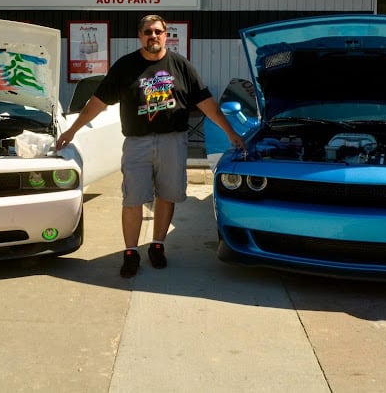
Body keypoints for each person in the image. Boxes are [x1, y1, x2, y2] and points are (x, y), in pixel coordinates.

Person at [56, 14, 246, 278]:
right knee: (133, 198)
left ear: (166, 35)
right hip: (137, 144)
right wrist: (72, 130)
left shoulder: (182, 66)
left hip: (173, 142)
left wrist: (230, 132)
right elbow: (97, 103)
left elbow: (206, 103)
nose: (153, 36)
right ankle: (131, 252)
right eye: (148, 32)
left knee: (167, 196)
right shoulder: (125, 66)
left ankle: (157, 245)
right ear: (140, 36)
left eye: (158, 31)